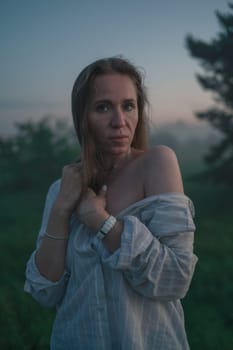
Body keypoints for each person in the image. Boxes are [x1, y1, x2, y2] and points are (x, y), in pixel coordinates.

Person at [24, 57, 198, 350]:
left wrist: (101, 221)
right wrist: (61, 209)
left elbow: (175, 279)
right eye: (103, 107)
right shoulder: (61, 189)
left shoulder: (157, 163)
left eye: (128, 106)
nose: (120, 122)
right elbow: (45, 293)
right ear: (83, 116)